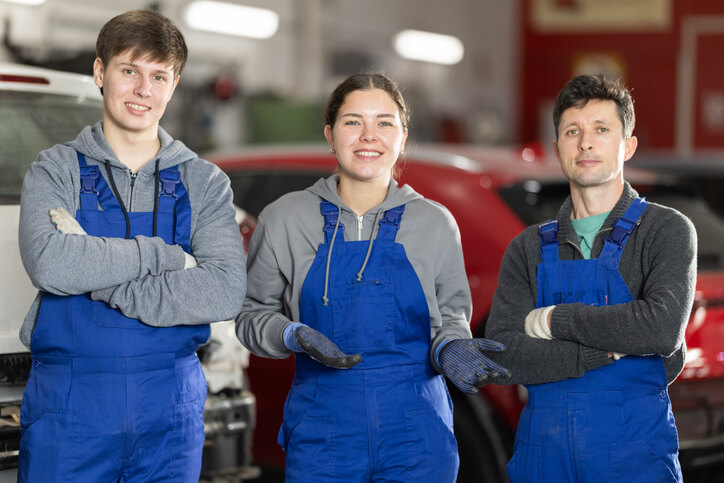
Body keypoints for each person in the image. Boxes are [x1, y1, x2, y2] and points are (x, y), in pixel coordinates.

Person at [235, 72, 509, 482]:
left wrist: (451, 347)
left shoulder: (435, 223)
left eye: (384, 122)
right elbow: (251, 314)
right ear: (330, 135)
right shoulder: (285, 219)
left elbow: (451, 316)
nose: (369, 135)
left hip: (417, 435)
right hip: (323, 434)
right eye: (353, 122)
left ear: (402, 136)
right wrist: (292, 334)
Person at [16, 9, 246, 482]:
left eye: (159, 76)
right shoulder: (54, 169)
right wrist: (166, 258)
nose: (144, 90)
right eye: (129, 70)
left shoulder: (205, 182)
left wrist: (95, 271)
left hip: (171, 413)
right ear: (100, 73)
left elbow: (222, 291)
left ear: (174, 84)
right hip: (71, 411)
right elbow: (52, 265)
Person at [484, 74, 696, 482]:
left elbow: (659, 330)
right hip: (542, 460)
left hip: (635, 460)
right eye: (572, 131)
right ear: (557, 147)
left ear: (627, 145)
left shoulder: (666, 230)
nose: (586, 142)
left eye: (602, 129)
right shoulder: (527, 248)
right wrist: (607, 351)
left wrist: (552, 321)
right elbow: (505, 355)